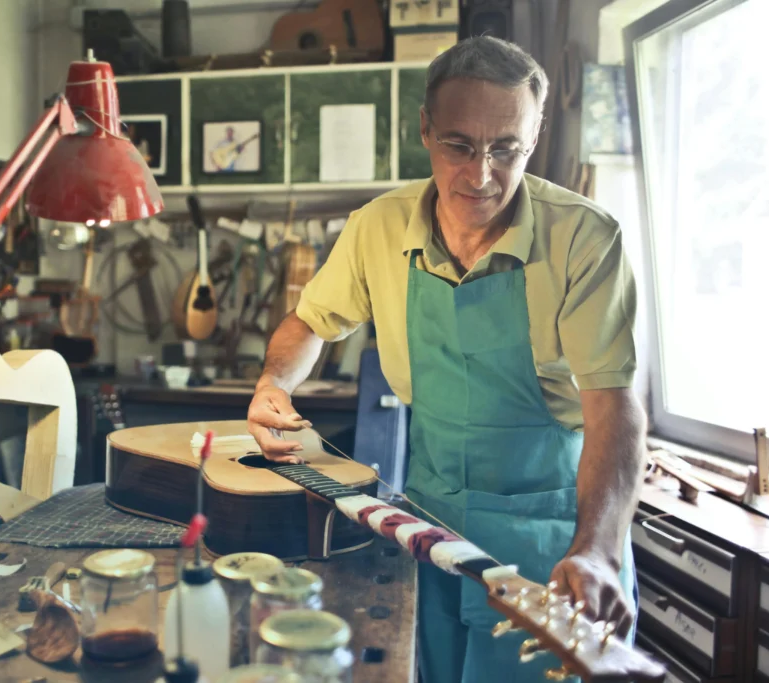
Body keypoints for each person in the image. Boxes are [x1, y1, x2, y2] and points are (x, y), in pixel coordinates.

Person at [246, 36, 644, 683]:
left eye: (506, 149)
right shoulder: (378, 226)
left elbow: (615, 409)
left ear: (534, 138)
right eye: (460, 145)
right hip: (428, 535)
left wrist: (596, 550)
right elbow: (310, 321)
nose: (482, 173)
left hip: (550, 549)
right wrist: (273, 382)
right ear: (425, 130)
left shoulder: (584, 239)